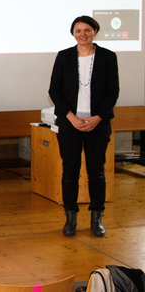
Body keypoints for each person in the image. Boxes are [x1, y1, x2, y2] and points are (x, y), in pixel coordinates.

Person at [49, 15, 119, 238]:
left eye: (87, 30)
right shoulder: (64, 56)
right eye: (78, 30)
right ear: (73, 33)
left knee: (96, 172)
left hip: (97, 124)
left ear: (95, 31)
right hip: (70, 123)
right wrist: (71, 117)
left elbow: (112, 91)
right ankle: (70, 218)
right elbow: (54, 91)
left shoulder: (108, 57)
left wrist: (98, 118)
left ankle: (96, 217)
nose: (83, 34)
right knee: (70, 172)